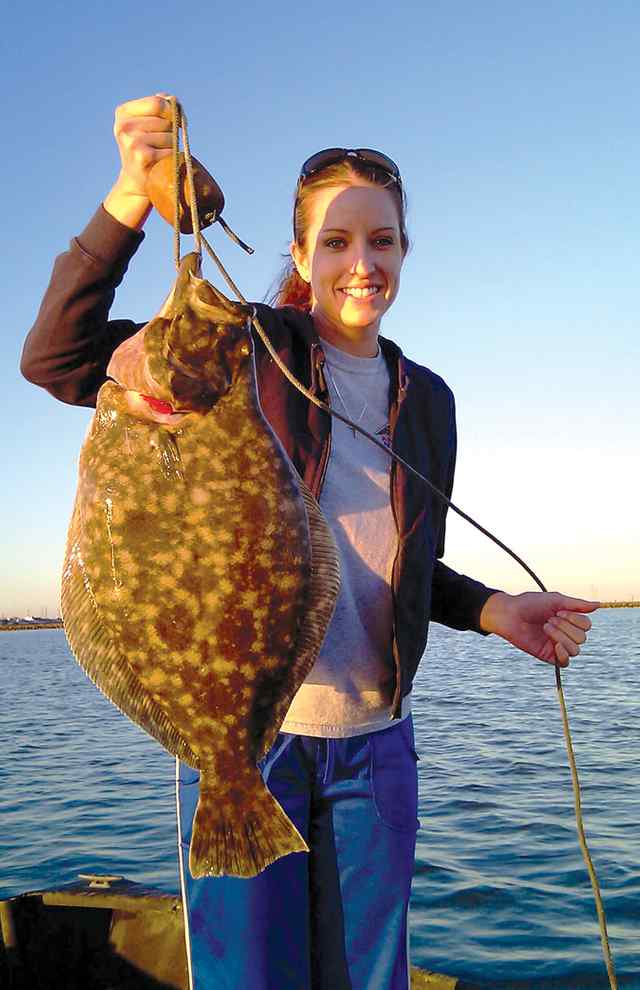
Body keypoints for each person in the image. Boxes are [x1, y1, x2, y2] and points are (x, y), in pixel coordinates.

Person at [21, 95, 599, 990]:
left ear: (404, 251)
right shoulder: (242, 351)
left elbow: (402, 564)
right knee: (249, 974)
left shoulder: (429, 399)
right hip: (252, 739)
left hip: (378, 741)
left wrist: (495, 610)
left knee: (371, 976)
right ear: (300, 257)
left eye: (381, 240)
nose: (361, 263)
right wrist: (131, 196)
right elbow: (55, 360)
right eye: (335, 242)